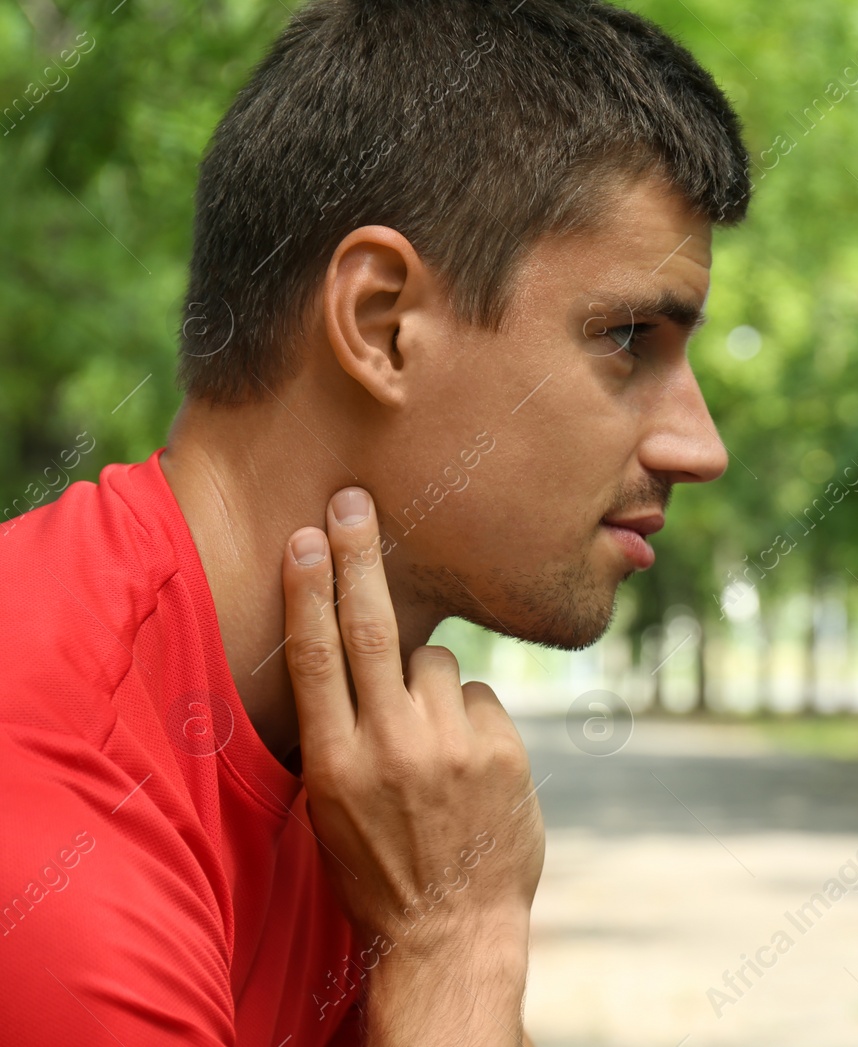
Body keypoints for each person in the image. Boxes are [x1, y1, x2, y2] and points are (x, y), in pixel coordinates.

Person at [0, 0, 748, 1042]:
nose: (697, 447)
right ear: (381, 324)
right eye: (628, 337)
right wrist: (460, 947)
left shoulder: (380, 789)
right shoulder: (50, 801)